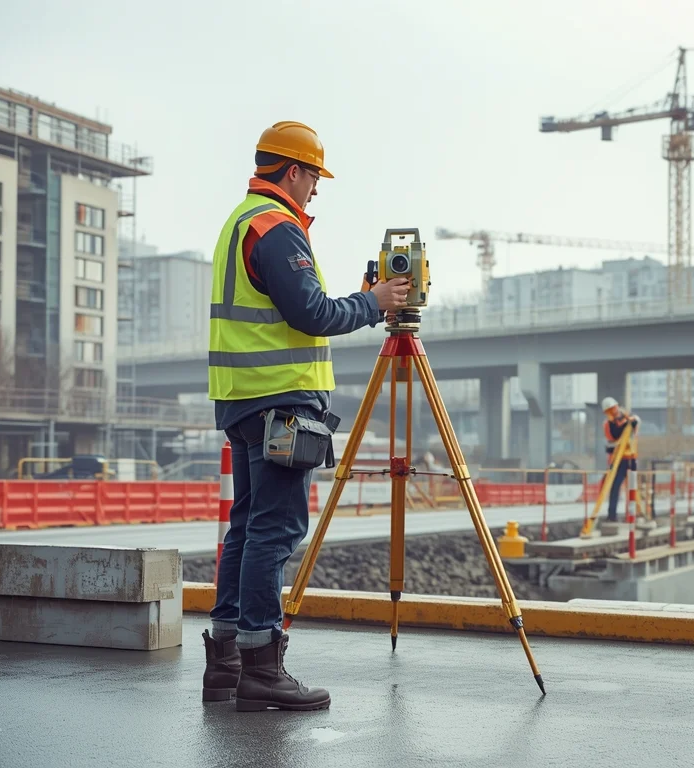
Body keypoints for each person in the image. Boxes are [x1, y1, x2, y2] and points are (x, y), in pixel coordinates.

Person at [202, 120, 410, 712]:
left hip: (243, 399)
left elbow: (292, 308)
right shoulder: (277, 227)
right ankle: (263, 666)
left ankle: (227, 663)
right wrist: (373, 303)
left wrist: (360, 300)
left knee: (246, 527)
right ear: (293, 171)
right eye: (315, 175)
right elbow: (313, 313)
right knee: (274, 529)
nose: (317, 188)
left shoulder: (240, 221)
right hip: (280, 400)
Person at [600, 396, 638, 523]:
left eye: (614, 409)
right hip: (618, 460)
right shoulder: (608, 425)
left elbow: (635, 425)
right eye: (610, 411)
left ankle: (633, 516)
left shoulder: (629, 418)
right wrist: (624, 425)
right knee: (615, 487)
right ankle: (612, 515)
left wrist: (631, 423)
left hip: (631, 458)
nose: (614, 412)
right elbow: (614, 436)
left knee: (633, 489)